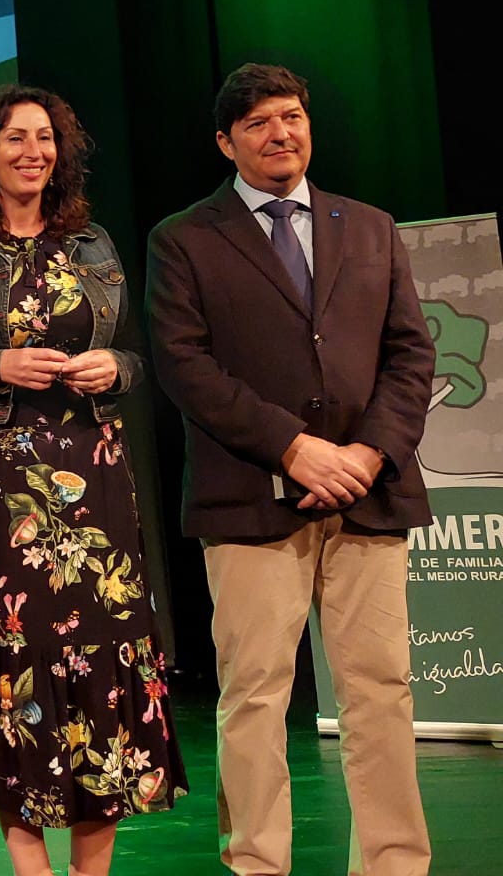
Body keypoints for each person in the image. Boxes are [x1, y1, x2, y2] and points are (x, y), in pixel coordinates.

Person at [145, 63, 435, 876]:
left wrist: (368, 453)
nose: (282, 134)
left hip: (369, 494)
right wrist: (293, 447)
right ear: (225, 142)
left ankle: (395, 864)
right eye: (261, 123)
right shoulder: (185, 237)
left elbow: (411, 353)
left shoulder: (370, 226)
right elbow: (183, 365)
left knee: (381, 691)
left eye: (293, 116)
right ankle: (259, 864)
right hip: (250, 499)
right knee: (256, 695)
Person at [0, 85, 185, 876]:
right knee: (5, 654)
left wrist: (115, 368)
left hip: (90, 470)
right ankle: (31, 869)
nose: (34, 151)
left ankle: (92, 872)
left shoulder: (93, 244)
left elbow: (135, 356)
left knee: (103, 654)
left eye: (47, 138)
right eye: (16, 138)